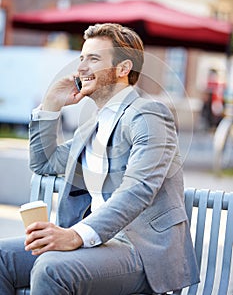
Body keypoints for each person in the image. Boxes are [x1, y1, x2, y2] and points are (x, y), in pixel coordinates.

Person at [0, 23, 199, 295]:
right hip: (98, 246)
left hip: (141, 250)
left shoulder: (149, 115)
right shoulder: (92, 128)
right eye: (81, 58)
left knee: (51, 268)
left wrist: (75, 234)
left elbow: (138, 189)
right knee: (2, 256)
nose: (81, 67)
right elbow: (44, 163)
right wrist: (50, 106)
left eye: (93, 59)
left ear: (123, 69)